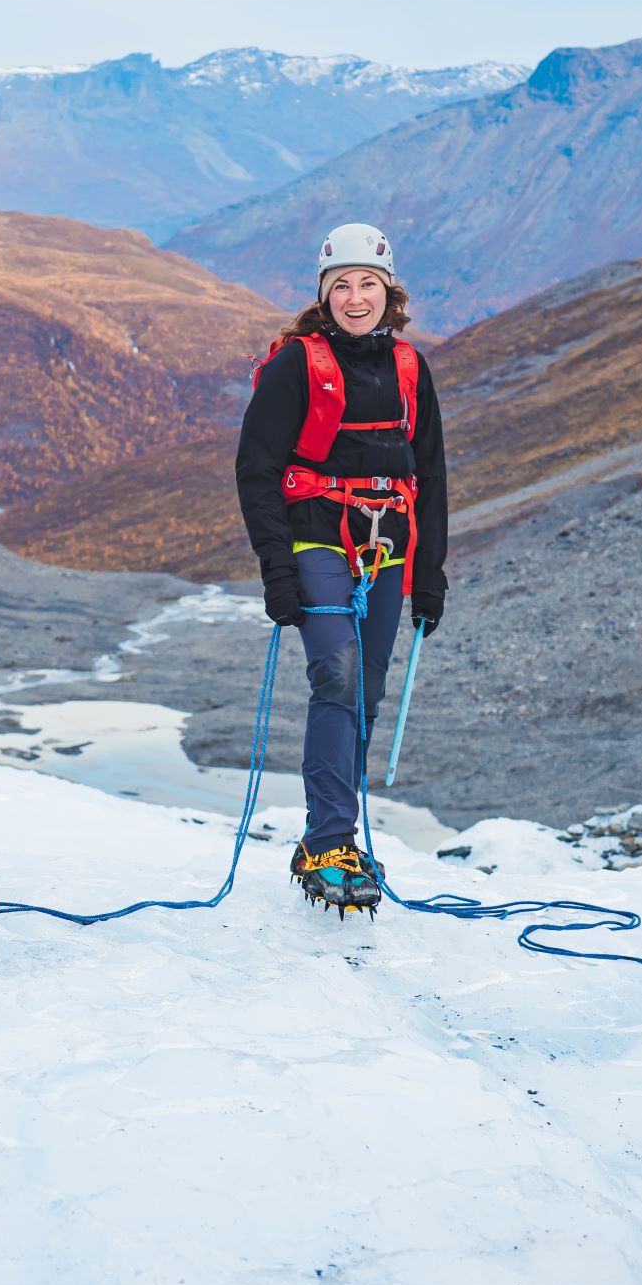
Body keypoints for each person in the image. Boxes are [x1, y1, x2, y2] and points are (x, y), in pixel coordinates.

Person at [235, 222, 448, 916]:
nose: (356, 298)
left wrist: (431, 574)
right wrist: (276, 569)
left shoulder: (411, 369)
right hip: (317, 537)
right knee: (338, 675)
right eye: (341, 286)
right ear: (324, 295)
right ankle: (330, 843)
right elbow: (257, 468)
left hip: (389, 545)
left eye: (368, 284)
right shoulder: (299, 364)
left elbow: (434, 474)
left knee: (370, 690)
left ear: (390, 291)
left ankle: (332, 838)